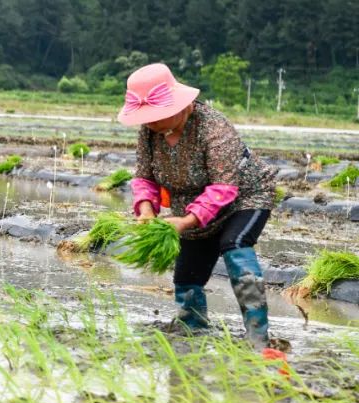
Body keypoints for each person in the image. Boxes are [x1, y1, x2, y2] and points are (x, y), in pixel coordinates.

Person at [119, 63, 277, 350]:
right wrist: (145, 209)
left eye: (157, 116)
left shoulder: (214, 128)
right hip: (190, 205)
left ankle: (258, 339)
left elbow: (223, 187)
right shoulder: (149, 132)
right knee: (188, 271)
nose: (151, 123)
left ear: (183, 105)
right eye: (147, 118)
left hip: (244, 198)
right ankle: (191, 330)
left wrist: (187, 221)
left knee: (235, 243)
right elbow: (144, 175)